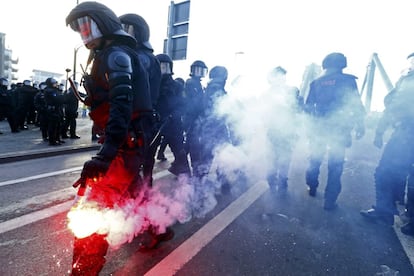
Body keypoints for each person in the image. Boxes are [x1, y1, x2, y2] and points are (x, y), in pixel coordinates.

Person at [66, 2, 154, 274]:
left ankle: (85, 270)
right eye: (78, 28)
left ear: (102, 22)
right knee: (136, 195)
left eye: (86, 25)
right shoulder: (107, 53)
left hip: (124, 145)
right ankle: (157, 228)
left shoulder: (116, 55)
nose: (82, 33)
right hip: (125, 143)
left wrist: (106, 153)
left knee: (95, 210)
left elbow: (122, 104)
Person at [304, 52, 366, 210]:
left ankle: (312, 186)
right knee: (336, 165)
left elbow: (308, 107)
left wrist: (309, 128)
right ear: (343, 64)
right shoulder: (348, 81)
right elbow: (356, 105)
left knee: (315, 159)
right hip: (339, 129)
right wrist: (360, 125)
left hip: (319, 128)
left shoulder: (316, 83)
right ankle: (329, 201)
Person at [361, 52, 414, 226]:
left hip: (407, 135)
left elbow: (393, 106)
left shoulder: (408, 81)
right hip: (406, 133)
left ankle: (385, 211)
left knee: (385, 172)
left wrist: (379, 131)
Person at [119, 13, 162, 187]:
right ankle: (142, 196)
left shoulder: (141, 58)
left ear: (139, 32)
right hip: (137, 120)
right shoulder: (138, 56)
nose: (122, 32)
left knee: (132, 165)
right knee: (138, 162)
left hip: (136, 120)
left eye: (126, 28)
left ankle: (138, 204)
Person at [265, 66, 302, 193]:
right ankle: (276, 180)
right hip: (277, 131)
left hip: (286, 131)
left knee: (280, 157)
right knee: (277, 157)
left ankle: (278, 180)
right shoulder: (270, 94)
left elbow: (298, 109)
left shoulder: (290, 91)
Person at [155, 53, 191, 176]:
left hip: (173, 125)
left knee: (180, 153)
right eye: (160, 66)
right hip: (155, 124)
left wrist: (173, 115)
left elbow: (184, 105)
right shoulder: (151, 85)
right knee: (147, 156)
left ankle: (186, 178)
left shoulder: (177, 86)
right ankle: (144, 187)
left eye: (166, 67)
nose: (163, 70)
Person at [184, 60, 208, 177]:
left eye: (201, 70)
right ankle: (195, 172)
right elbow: (193, 103)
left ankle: (182, 168)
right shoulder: (190, 83)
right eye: (196, 70)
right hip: (192, 120)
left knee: (188, 146)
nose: (199, 73)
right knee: (194, 147)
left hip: (196, 120)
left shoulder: (199, 85)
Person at [44, 77, 65, 146]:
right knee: (53, 126)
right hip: (52, 110)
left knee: (58, 125)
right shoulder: (49, 90)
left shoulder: (56, 90)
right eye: (54, 82)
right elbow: (56, 99)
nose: (56, 83)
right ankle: (52, 141)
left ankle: (57, 138)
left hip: (58, 109)